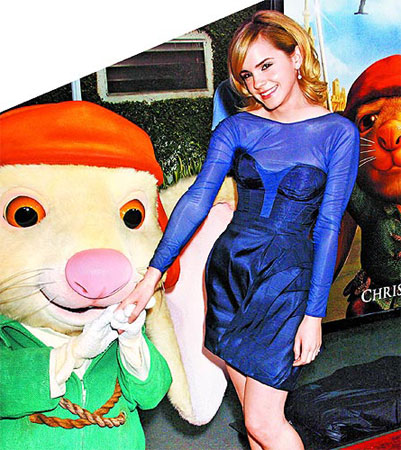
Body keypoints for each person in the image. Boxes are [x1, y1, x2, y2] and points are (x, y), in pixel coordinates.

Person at [118, 10, 359, 450]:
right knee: (252, 423)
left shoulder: (336, 132)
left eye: (266, 65)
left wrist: (314, 314)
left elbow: (328, 226)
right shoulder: (237, 127)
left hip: (285, 284)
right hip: (230, 276)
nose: (258, 83)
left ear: (296, 56)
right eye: (247, 75)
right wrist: (150, 277)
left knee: (266, 423)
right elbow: (197, 200)